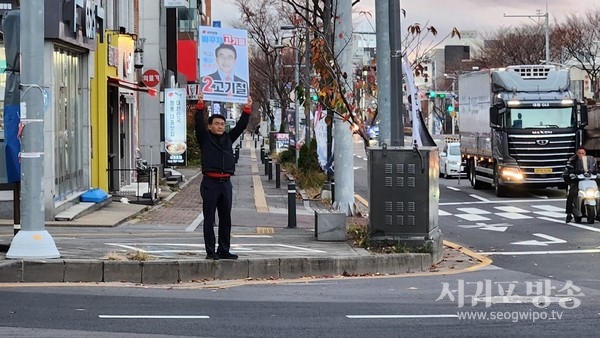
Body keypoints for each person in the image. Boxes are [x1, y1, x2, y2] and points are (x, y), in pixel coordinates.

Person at [195, 93, 253, 260]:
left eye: (222, 124)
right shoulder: (204, 138)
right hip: (210, 183)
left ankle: (224, 249)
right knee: (209, 218)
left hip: (226, 182)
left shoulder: (228, 138)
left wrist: (247, 108)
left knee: (226, 218)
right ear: (210, 126)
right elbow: (198, 124)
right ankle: (210, 251)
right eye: (217, 124)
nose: (220, 126)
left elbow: (241, 126)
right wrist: (200, 105)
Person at [563, 147, 598, 223]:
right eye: (579, 153)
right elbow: (568, 169)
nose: (581, 155)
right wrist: (571, 174)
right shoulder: (572, 160)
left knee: (597, 193)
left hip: (589, 180)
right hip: (577, 181)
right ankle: (569, 213)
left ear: (585, 153)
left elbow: (595, 169)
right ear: (576, 153)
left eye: (583, 153)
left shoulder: (590, 161)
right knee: (572, 193)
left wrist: (596, 173)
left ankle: (598, 213)